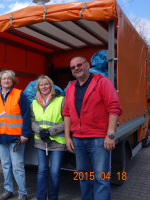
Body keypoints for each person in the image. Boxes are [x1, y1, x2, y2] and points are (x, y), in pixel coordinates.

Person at [63, 56, 122, 200]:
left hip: (99, 139)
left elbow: (114, 108)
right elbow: (66, 114)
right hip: (78, 139)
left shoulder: (102, 82)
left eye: (79, 65)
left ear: (87, 65)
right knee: (83, 177)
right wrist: (67, 137)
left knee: (101, 178)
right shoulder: (70, 88)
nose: (76, 68)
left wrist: (110, 134)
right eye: (73, 67)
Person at [0, 70, 31, 200]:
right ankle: (8, 190)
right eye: (4, 79)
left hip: (17, 138)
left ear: (13, 81)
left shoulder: (20, 94)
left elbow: (26, 115)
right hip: (1, 137)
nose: (6, 81)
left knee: (18, 167)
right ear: (0, 81)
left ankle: (22, 192)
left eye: (9, 78)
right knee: (6, 165)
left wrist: (25, 133)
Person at [31, 75, 66, 200]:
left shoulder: (61, 100)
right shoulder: (34, 102)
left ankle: (53, 197)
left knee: (54, 173)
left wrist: (50, 132)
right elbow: (32, 120)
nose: (44, 87)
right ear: (38, 87)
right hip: (41, 142)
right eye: (41, 85)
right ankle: (41, 197)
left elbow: (67, 121)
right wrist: (40, 132)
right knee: (41, 171)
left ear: (51, 86)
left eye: (46, 84)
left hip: (57, 142)